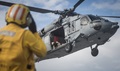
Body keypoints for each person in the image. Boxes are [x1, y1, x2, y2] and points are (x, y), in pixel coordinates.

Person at [0, 4, 47, 71]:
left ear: (6, 16)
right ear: (27, 19)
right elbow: (42, 52)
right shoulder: (25, 34)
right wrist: (34, 32)